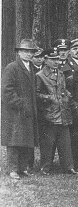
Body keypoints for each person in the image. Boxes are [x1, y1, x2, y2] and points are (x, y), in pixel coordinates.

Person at [2, 39, 40, 180]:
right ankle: (13, 169)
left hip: (28, 111)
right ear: (19, 52)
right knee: (14, 140)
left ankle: (23, 168)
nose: (28, 54)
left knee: (26, 140)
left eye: (31, 52)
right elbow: (6, 90)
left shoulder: (32, 68)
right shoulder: (12, 67)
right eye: (25, 51)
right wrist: (19, 104)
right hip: (15, 112)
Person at [35, 49, 78, 175]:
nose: (56, 62)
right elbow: (36, 94)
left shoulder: (60, 73)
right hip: (49, 114)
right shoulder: (40, 75)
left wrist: (67, 96)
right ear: (46, 60)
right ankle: (45, 167)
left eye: (57, 59)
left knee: (65, 142)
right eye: (52, 59)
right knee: (48, 143)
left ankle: (68, 167)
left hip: (63, 112)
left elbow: (63, 89)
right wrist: (49, 98)